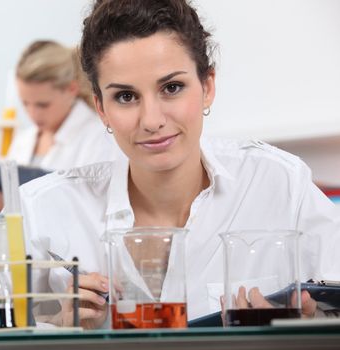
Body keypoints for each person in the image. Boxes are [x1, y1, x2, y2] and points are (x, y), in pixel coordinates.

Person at [20, 0, 340, 329]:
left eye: (172, 88)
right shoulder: (42, 211)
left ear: (207, 87)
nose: (152, 120)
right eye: (126, 97)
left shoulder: (279, 184)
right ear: (101, 108)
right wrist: (57, 328)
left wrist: (309, 323)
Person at [0, 40, 118, 212]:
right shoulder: (24, 139)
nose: (33, 114)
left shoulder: (100, 139)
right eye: (25, 104)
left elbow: (91, 213)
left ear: (71, 89)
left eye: (42, 105)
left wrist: (9, 209)